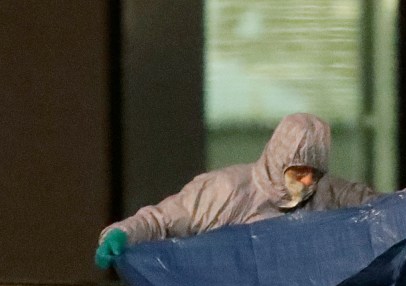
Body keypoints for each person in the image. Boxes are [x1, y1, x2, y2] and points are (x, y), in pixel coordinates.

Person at [96, 112, 387, 269]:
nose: (308, 182)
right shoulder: (225, 191)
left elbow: (383, 209)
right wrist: (123, 233)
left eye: (316, 173)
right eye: (299, 171)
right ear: (279, 160)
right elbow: (161, 220)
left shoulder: (330, 193)